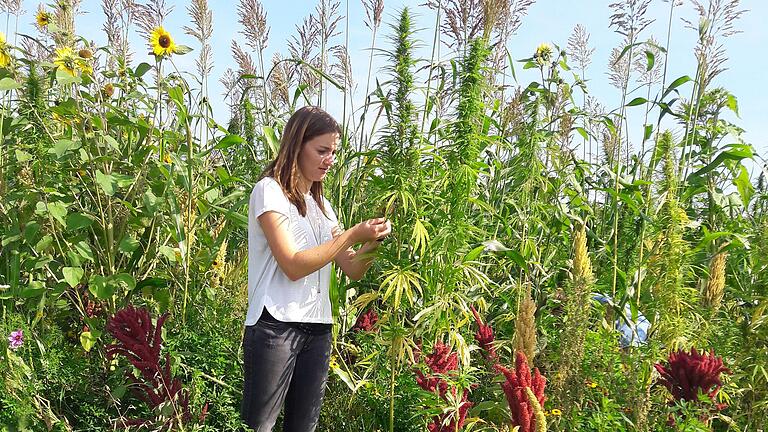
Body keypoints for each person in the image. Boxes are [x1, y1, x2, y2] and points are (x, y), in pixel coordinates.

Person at [241, 106, 391, 431]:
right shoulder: (269, 192)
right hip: (276, 325)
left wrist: (373, 240)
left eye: (333, 152)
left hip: (319, 328)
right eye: (322, 150)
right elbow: (293, 265)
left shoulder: (322, 207)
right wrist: (353, 233)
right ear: (297, 145)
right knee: (259, 427)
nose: (329, 160)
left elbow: (352, 267)